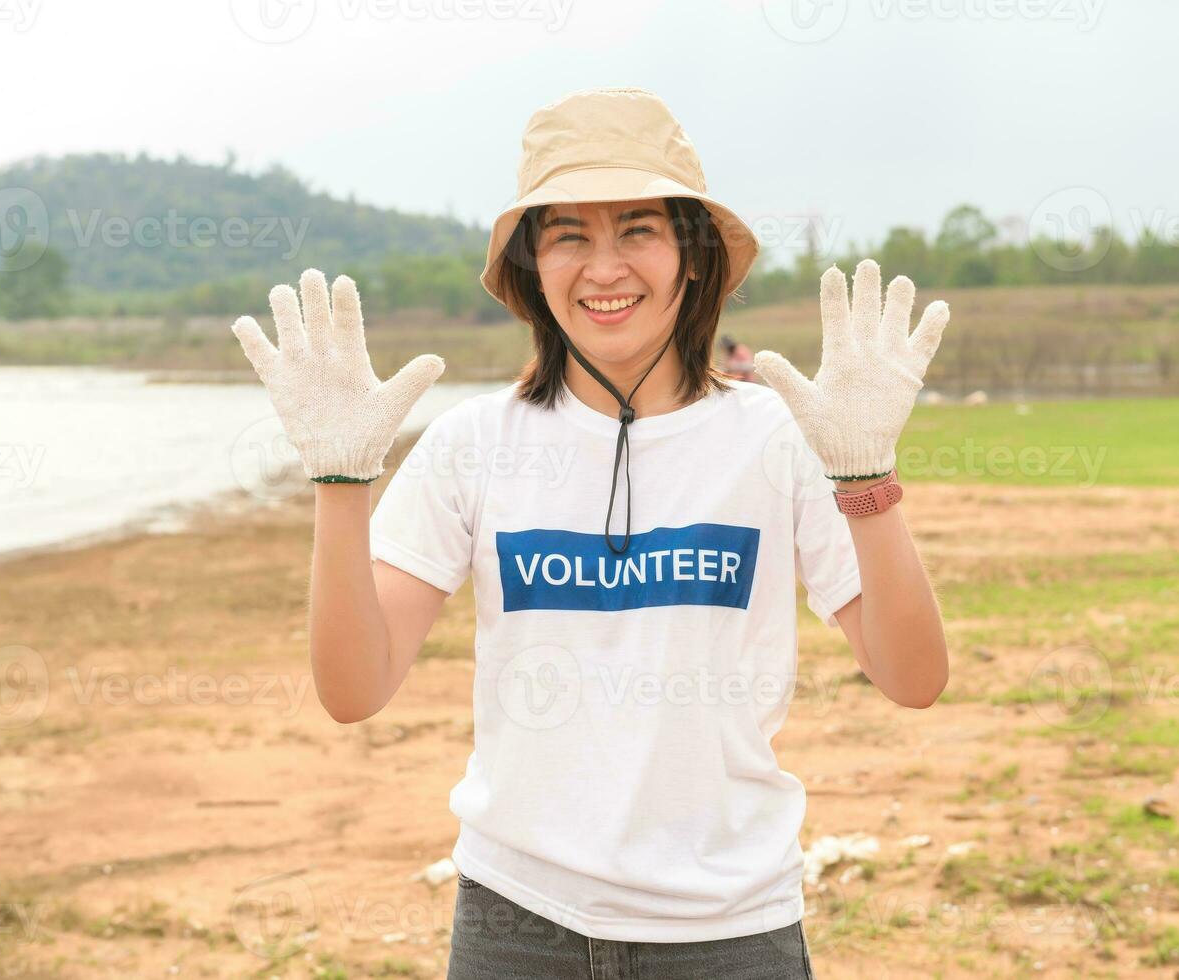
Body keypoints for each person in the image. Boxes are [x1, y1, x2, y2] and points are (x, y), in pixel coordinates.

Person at [230, 86, 952, 979]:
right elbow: (353, 688)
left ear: (691, 258)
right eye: (568, 233)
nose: (603, 267)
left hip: (729, 928)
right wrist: (340, 485)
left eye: (638, 229)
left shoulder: (778, 438)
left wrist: (865, 476)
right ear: (532, 266)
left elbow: (913, 678)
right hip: (515, 924)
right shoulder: (475, 444)